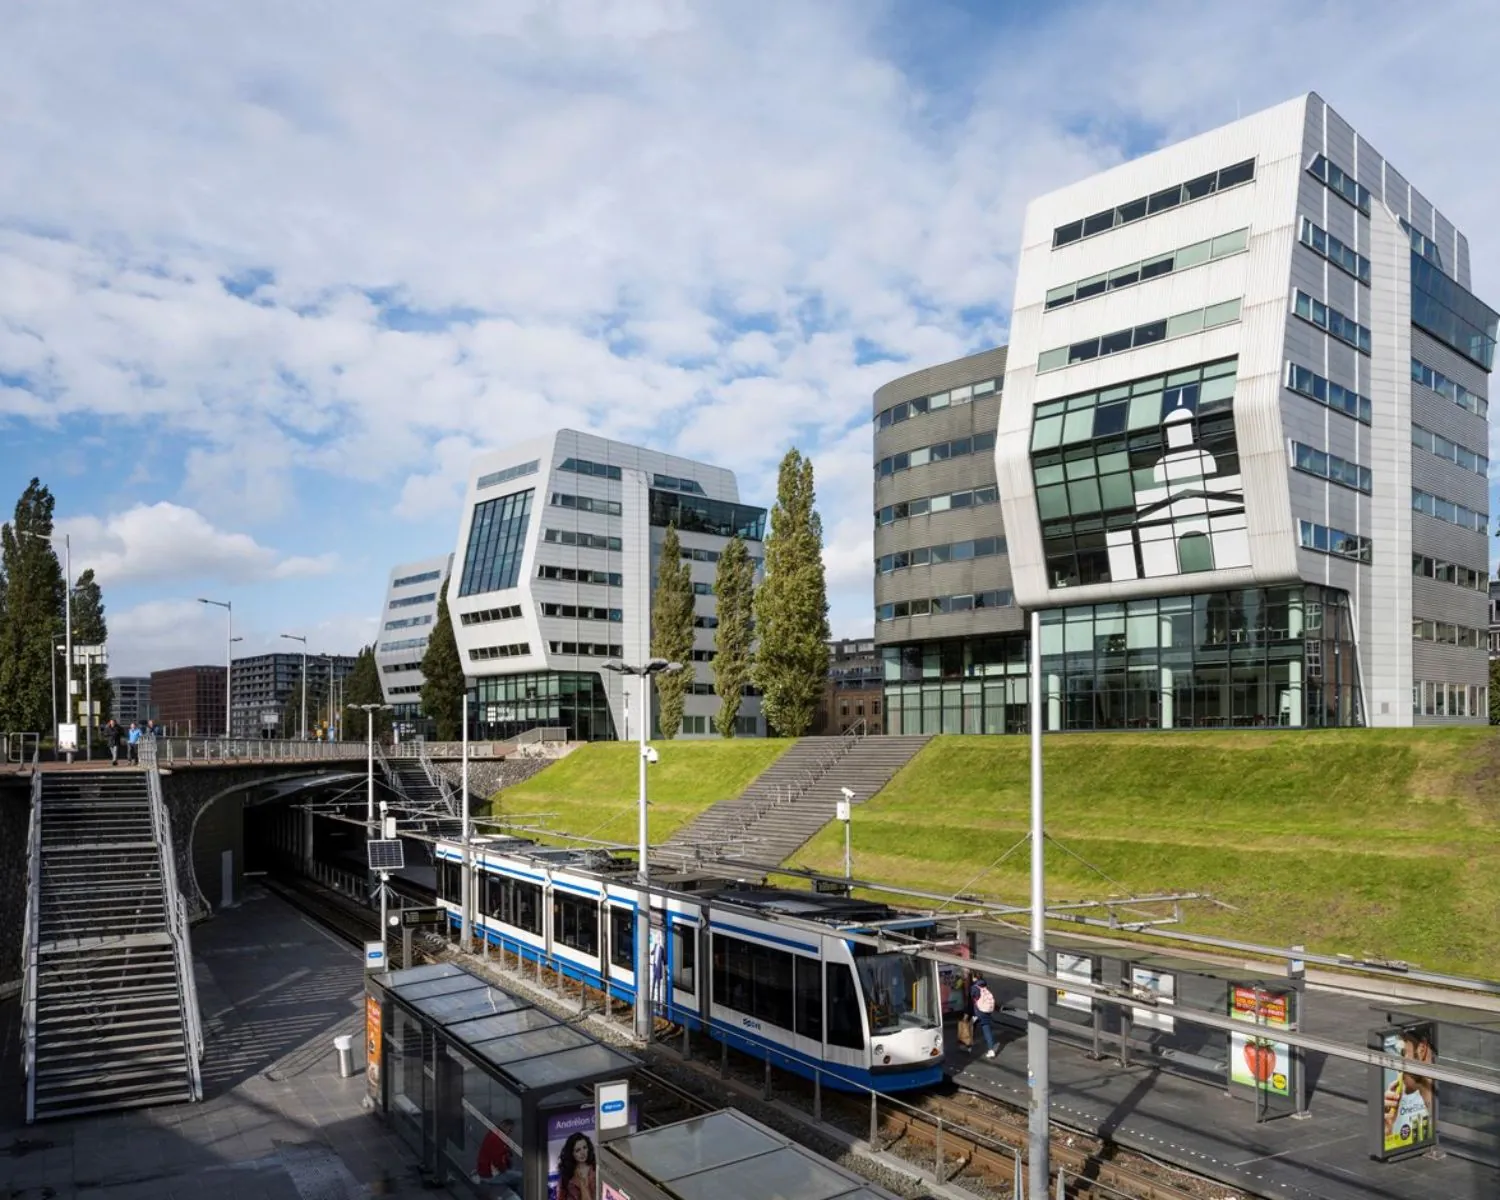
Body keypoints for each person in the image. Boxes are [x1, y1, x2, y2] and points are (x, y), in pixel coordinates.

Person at [473, 1118, 522, 1194]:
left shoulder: (493, 1133)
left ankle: (512, 1190)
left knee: (514, 1172)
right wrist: (504, 1170)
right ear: (504, 1126)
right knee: (521, 1176)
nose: (510, 1132)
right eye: (510, 1129)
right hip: (490, 1175)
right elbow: (498, 1161)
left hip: (485, 1170)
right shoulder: (497, 1139)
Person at [556, 1131, 596, 1200]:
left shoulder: (596, 1168)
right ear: (572, 1153)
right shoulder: (566, 1176)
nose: (582, 1153)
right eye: (578, 1150)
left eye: (585, 1147)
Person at [969, 972, 997, 1059]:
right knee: (986, 1028)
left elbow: (972, 999)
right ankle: (991, 1049)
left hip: (978, 1012)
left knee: (971, 1026)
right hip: (986, 1011)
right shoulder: (984, 985)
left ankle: (968, 1046)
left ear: (975, 978)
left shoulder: (974, 988)